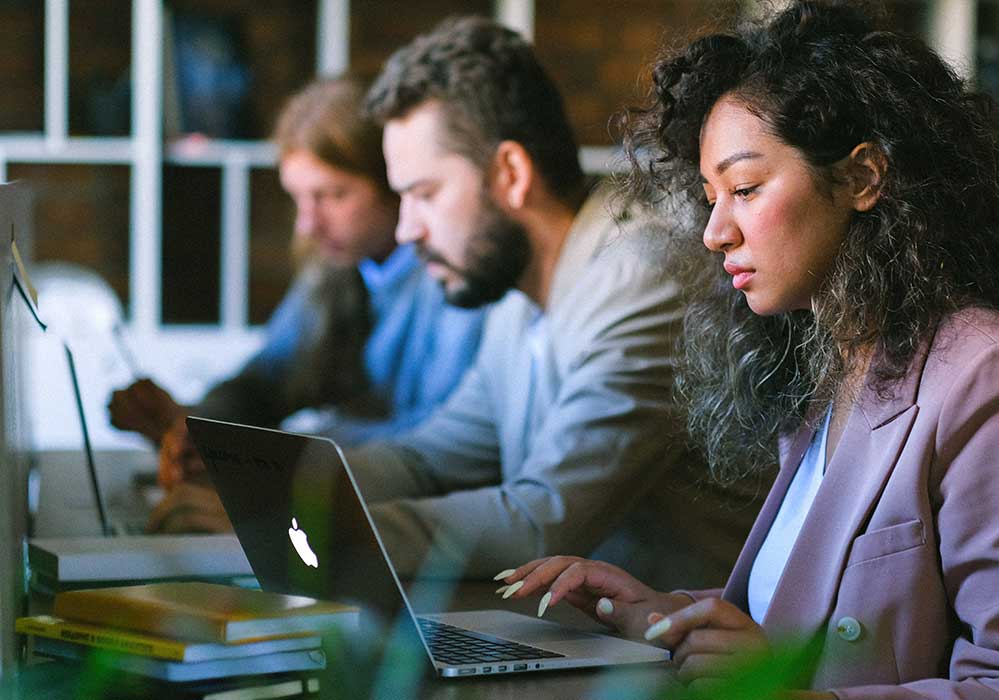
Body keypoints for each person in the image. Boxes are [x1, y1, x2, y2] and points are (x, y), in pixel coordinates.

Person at [497, 2, 999, 697]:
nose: (714, 232)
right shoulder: (841, 369)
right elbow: (812, 627)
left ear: (862, 178)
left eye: (746, 188)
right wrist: (666, 618)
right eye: (710, 196)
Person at [135, 17, 762, 590]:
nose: (407, 230)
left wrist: (289, 529)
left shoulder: (640, 273)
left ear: (510, 175)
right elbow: (430, 456)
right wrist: (263, 488)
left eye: (425, 194)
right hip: (581, 639)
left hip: (685, 663)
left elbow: (545, 517)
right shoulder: (521, 292)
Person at [109, 78, 486, 533]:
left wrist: (263, 458)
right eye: (299, 198)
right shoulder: (336, 267)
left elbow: (436, 443)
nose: (308, 223)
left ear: (395, 183)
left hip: (422, 526)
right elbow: (266, 379)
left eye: (333, 195)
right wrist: (202, 426)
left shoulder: (456, 277)